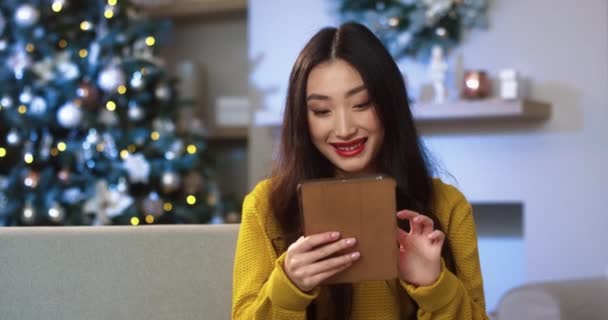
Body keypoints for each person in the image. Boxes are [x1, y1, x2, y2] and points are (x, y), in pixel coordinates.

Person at [232, 22, 488, 320]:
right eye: (322, 111)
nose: (344, 129)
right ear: (303, 119)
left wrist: (435, 285)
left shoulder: (448, 206)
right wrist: (289, 285)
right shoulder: (266, 207)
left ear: (390, 104)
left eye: (362, 104)